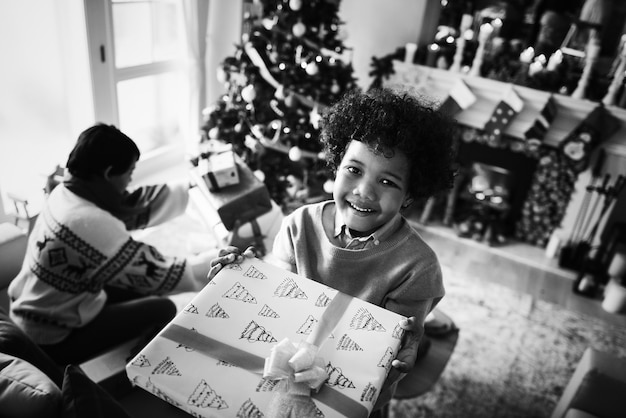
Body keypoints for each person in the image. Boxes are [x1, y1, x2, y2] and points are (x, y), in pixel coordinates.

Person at [208, 88, 456, 412]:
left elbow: (382, 356)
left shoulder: (418, 266)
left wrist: (408, 346)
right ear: (336, 166)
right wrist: (243, 279)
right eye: (354, 170)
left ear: (409, 195)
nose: (364, 191)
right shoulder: (298, 224)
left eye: (388, 182)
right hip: (278, 377)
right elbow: (273, 303)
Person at [8, 123, 216, 366]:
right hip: (53, 336)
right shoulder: (89, 223)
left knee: (133, 284)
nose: (130, 180)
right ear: (108, 173)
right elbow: (162, 274)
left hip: (33, 307)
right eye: (129, 172)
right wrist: (215, 263)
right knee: (163, 308)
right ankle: (139, 367)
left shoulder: (64, 192)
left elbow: (128, 207)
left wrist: (192, 185)